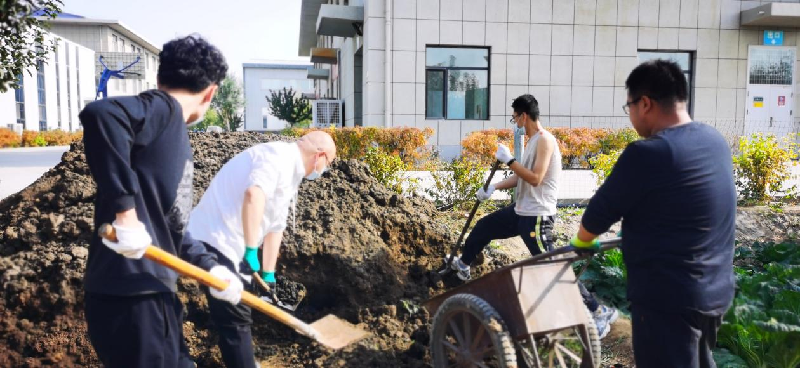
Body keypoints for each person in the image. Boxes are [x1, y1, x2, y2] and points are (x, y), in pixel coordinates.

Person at [80, 35, 244, 368]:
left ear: (159, 76)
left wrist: (213, 268)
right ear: (211, 92)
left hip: (147, 296)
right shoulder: (163, 110)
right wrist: (125, 214)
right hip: (134, 296)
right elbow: (102, 113)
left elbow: (172, 227)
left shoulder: (166, 131)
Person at [570, 60, 735, 368]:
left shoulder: (647, 153)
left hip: (668, 301)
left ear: (644, 103)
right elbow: (686, 201)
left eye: (629, 106)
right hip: (714, 292)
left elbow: (595, 218)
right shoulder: (714, 141)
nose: (630, 115)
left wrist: (582, 242)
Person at [445, 94, 618, 338]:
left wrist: (510, 160)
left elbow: (535, 178)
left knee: (552, 267)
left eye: (515, 116)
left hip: (537, 216)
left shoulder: (545, 140)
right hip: (521, 211)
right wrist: (494, 187)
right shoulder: (532, 141)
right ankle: (463, 265)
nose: (514, 121)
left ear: (524, 115)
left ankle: (598, 310)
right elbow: (521, 176)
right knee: (485, 226)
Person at [187, 131, 337, 368]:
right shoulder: (278, 157)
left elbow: (275, 226)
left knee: (235, 314)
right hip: (215, 239)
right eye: (327, 164)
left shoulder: (292, 174)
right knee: (235, 316)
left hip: (230, 244)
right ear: (319, 156)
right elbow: (253, 194)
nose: (323, 170)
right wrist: (249, 251)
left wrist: (269, 275)